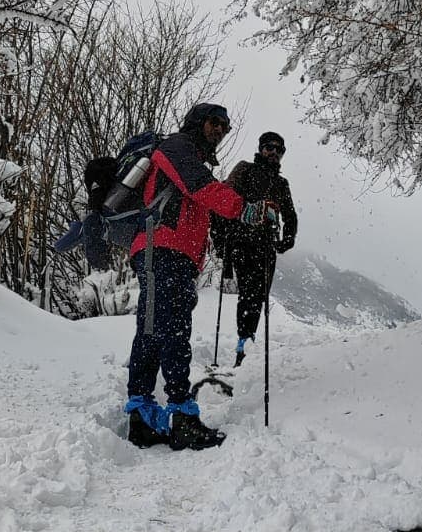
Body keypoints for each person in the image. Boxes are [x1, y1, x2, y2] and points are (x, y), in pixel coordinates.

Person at [124, 102, 274, 451]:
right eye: (213, 122)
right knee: (171, 329)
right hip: (160, 248)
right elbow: (202, 189)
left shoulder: (193, 157)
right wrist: (247, 209)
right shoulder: (177, 149)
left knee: (153, 329)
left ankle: (142, 415)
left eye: (225, 126)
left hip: (173, 254)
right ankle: (180, 416)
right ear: (196, 121)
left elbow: (201, 205)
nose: (219, 130)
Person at [220, 131, 298, 366]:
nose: (274, 153)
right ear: (261, 148)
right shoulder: (245, 169)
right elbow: (224, 198)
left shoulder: (281, 183)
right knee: (249, 296)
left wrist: (288, 238)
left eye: (279, 150)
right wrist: (223, 235)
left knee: (257, 297)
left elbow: (290, 214)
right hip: (242, 242)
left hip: (266, 246)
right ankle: (244, 345)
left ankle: (246, 342)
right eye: (269, 148)